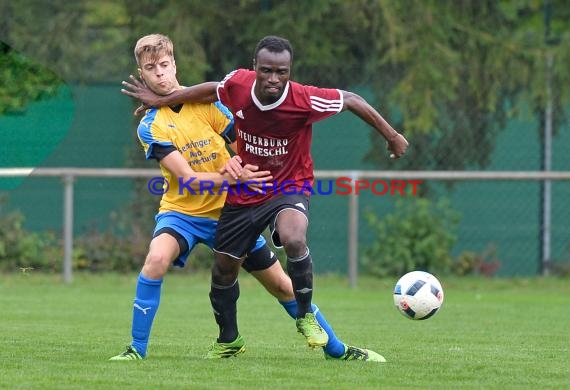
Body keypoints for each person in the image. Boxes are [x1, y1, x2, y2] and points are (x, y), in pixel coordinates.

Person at [111, 34, 386, 362]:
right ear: (141, 74)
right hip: (181, 213)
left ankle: (338, 350)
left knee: (284, 287)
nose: (159, 73)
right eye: (150, 68)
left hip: (230, 210)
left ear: (175, 65)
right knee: (155, 261)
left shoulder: (206, 106)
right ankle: (136, 350)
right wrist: (229, 174)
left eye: (165, 65)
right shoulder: (150, 126)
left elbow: (244, 141)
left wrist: (247, 166)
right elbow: (187, 180)